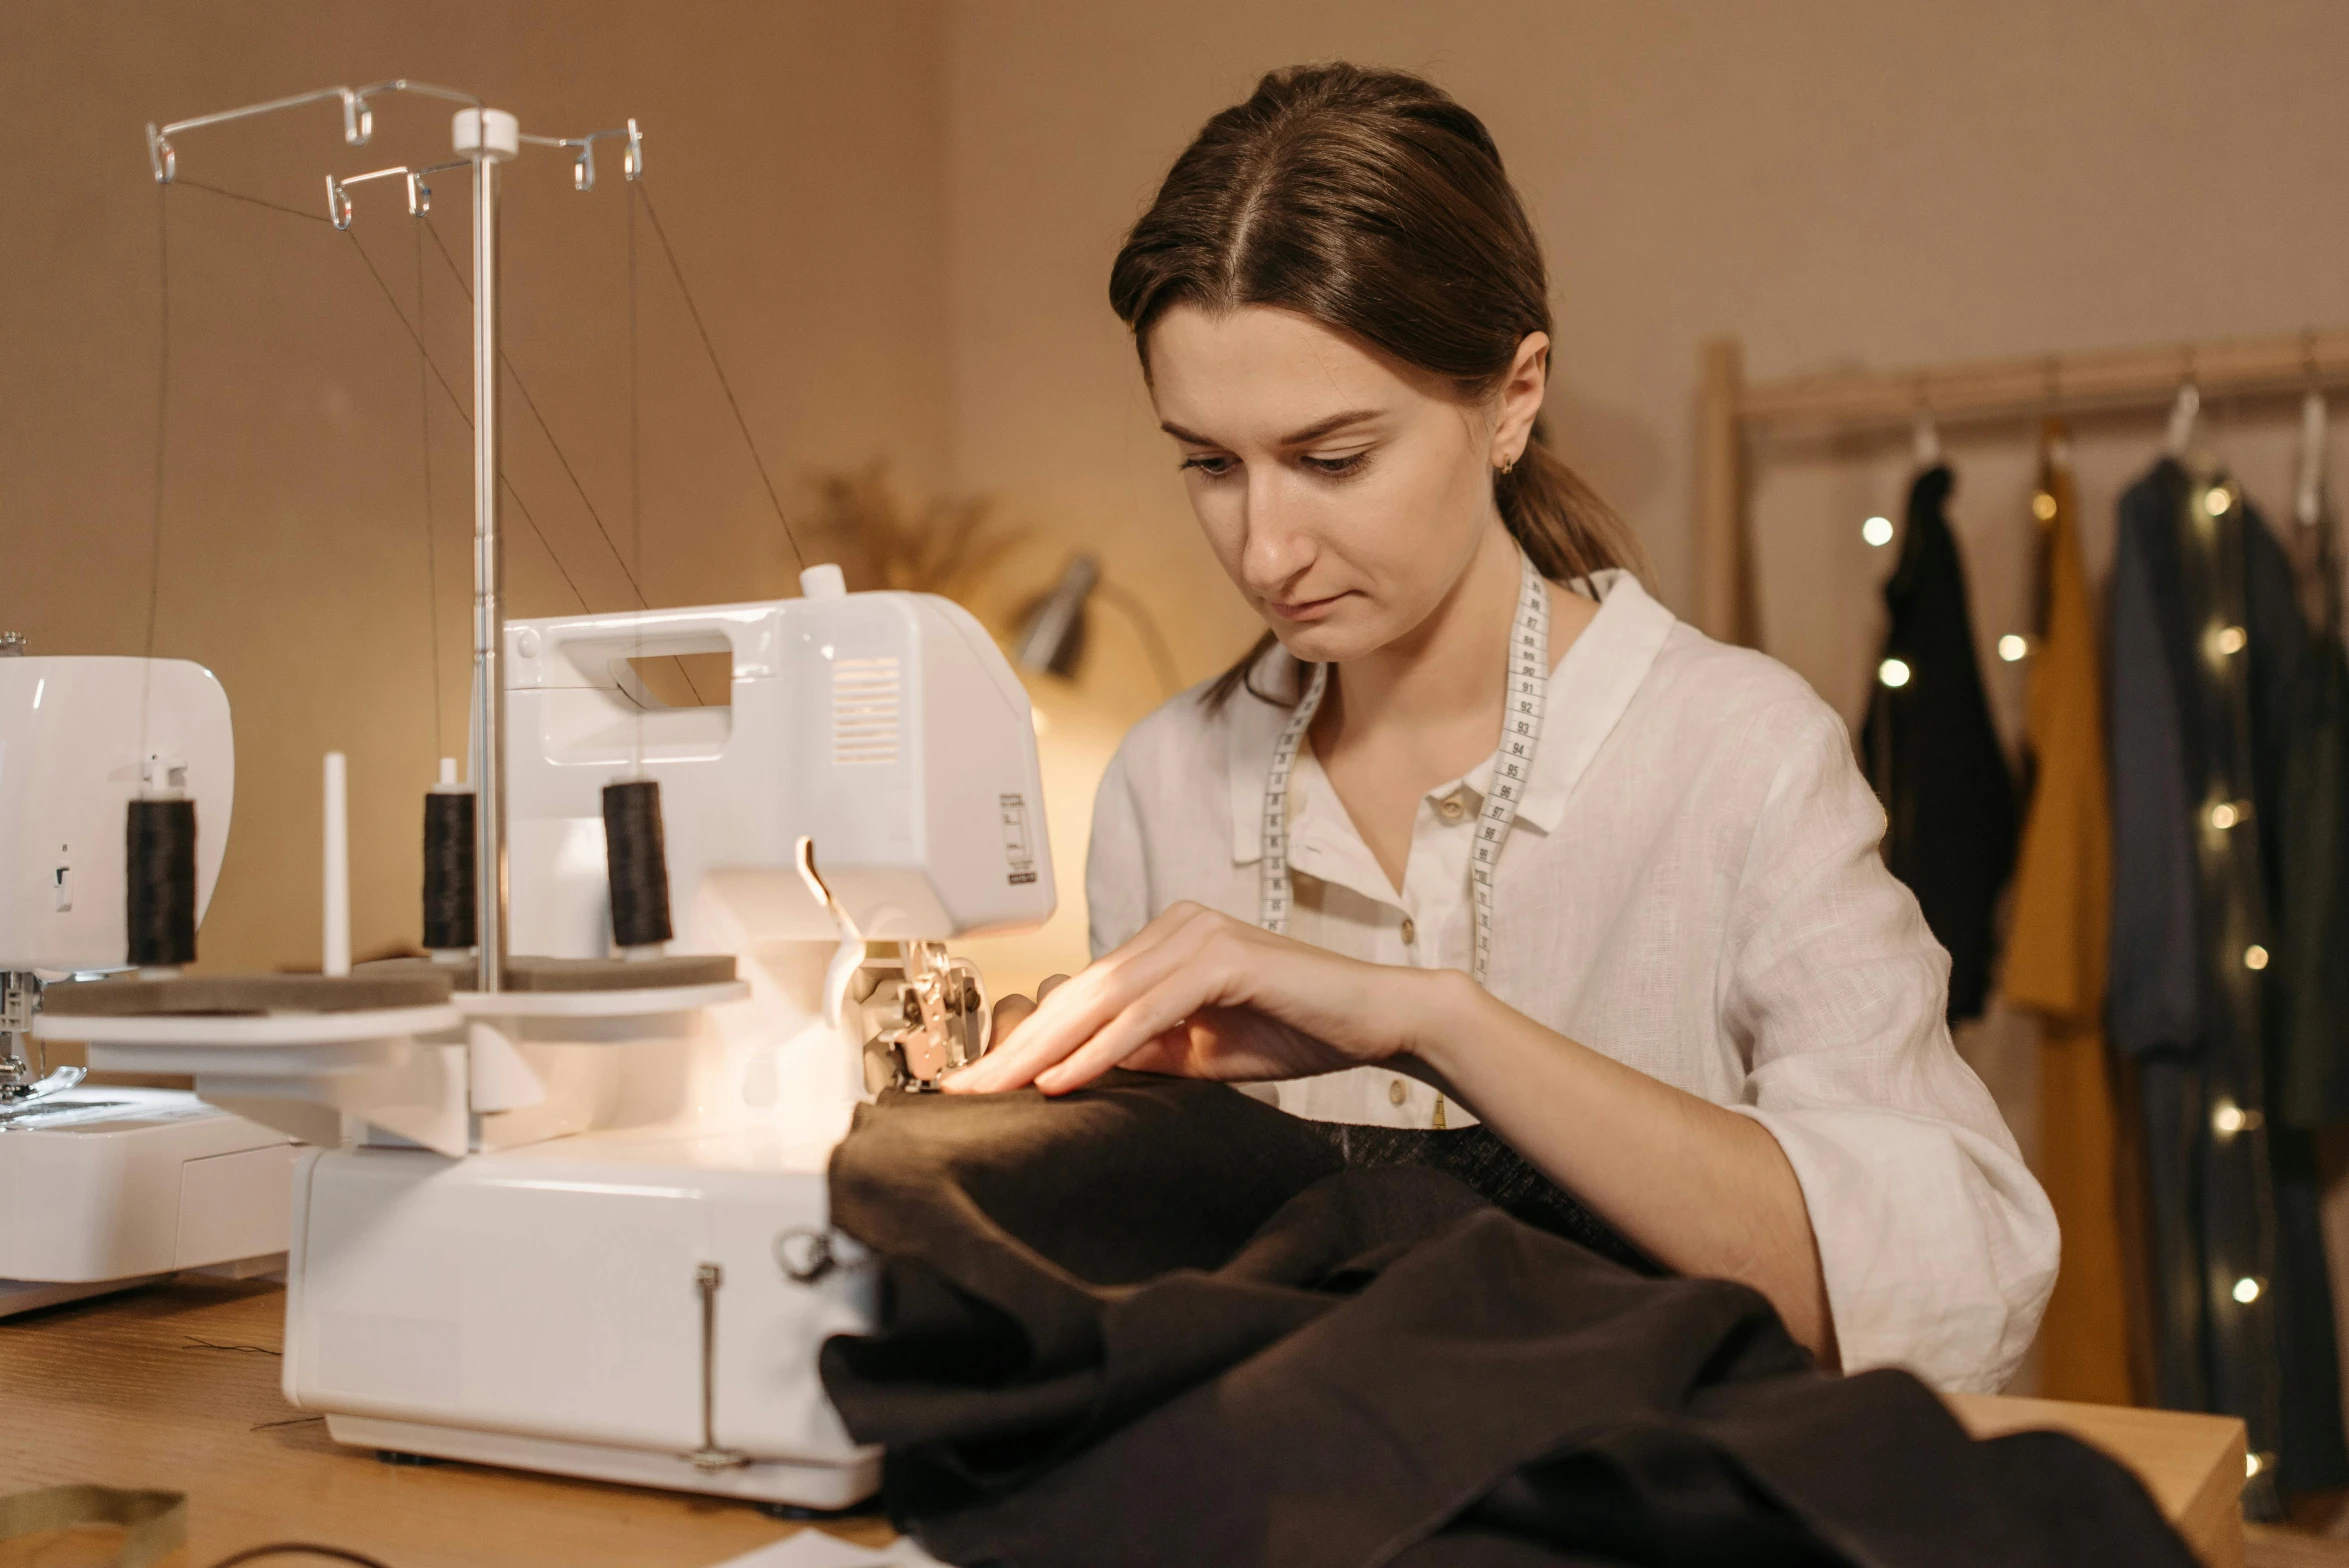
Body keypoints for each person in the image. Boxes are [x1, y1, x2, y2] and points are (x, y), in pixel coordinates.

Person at [950, 62, 2055, 1394]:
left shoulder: (1738, 756)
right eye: (1209, 463)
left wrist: (1432, 1025)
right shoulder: (1165, 783)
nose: (1266, 545)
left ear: (1513, 396)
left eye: (1333, 458)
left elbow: (1960, 1279)